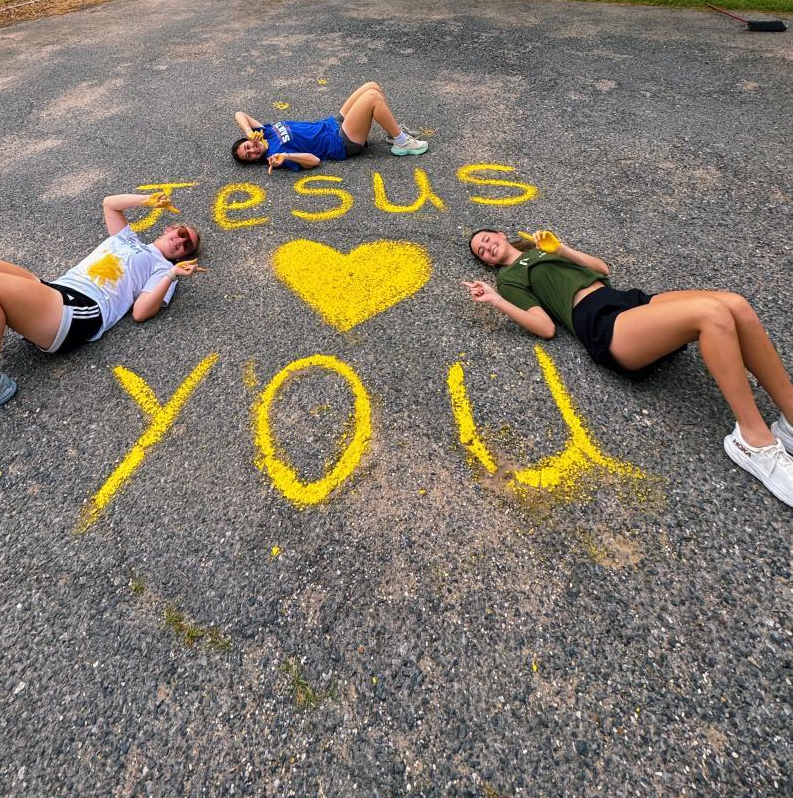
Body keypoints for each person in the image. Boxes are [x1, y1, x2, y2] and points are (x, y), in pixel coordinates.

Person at [464, 229, 793, 507]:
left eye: (487, 239)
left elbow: (602, 269)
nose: (487, 247)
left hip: (626, 300)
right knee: (712, 314)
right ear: (488, 263)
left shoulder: (539, 250)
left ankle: (790, 421)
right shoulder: (509, 279)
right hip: (600, 321)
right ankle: (752, 440)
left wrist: (561, 249)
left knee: (735, 305)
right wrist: (497, 300)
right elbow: (545, 327)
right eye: (481, 252)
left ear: (500, 234)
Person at [0, 192, 201, 433]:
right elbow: (110, 203)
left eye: (187, 245)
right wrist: (147, 201)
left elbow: (141, 312)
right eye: (181, 232)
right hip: (57, 289)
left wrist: (172, 274)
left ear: (183, 256)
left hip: (83, 309)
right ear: (169, 228)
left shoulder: (162, 269)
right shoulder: (127, 237)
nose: (181, 240)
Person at [231, 81, 428, 172]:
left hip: (332, 124)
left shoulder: (263, 133)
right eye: (249, 156)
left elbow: (239, 114)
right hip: (341, 141)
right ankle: (401, 142)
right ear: (254, 161)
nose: (252, 150)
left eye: (247, 146)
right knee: (372, 98)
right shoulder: (275, 154)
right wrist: (287, 156)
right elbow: (314, 161)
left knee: (372, 86)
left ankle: (393, 132)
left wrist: (249, 132)